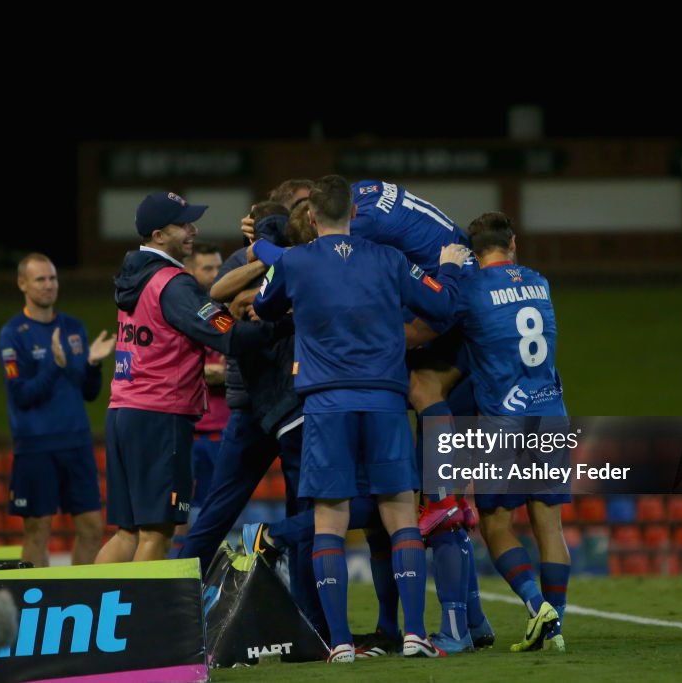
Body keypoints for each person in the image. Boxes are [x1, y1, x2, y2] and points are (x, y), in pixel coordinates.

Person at [253, 175, 469, 663]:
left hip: (326, 405)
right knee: (397, 512)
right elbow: (441, 301)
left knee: (331, 519)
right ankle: (415, 634)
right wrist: (450, 268)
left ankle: (342, 644)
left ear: (310, 217)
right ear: (354, 214)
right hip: (385, 401)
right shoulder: (390, 260)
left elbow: (265, 305)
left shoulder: (294, 261)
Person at [96, 191, 286, 564]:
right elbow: (227, 335)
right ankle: (142, 621)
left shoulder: (134, 277)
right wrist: (281, 325)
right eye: (183, 224)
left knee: (126, 533)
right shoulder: (174, 283)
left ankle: (106, 619)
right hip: (159, 417)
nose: (193, 230)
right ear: (158, 235)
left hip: (123, 411)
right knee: (157, 535)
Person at [452, 212, 570, 653]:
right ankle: (555, 631)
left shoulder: (469, 291)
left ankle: (539, 606)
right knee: (549, 525)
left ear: (473, 251)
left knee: (496, 524)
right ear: (513, 242)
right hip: (551, 411)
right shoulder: (540, 282)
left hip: (504, 418)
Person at [0, 253, 114, 567]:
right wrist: (53, 364)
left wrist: (93, 364)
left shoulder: (73, 328)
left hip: (76, 443)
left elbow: (89, 393)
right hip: (36, 446)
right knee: (38, 529)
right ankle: (36, 605)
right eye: (40, 279)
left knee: (91, 527)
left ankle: (82, 599)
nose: (49, 285)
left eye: (52, 278)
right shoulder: (13, 334)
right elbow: (21, 394)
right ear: (23, 284)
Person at [168, 242, 229, 556]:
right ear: (189, 272)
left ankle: (209, 579)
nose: (217, 273)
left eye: (219, 266)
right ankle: (178, 580)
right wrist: (208, 372)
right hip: (188, 432)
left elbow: (238, 351)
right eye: (208, 268)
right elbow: (173, 366)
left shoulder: (224, 313)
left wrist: (221, 372)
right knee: (179, 515)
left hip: (223, 433)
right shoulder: (180, 311)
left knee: (216, 514)